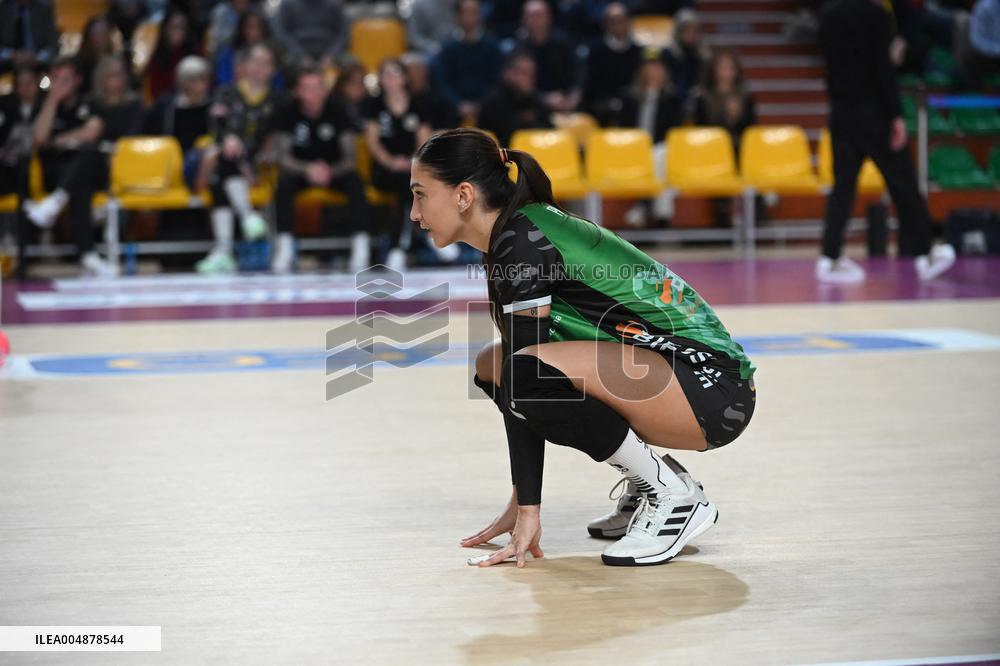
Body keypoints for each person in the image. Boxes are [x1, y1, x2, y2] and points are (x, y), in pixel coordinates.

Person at [410, 128, 757, 567]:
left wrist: (530, 511)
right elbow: (521, 383)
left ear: (463, 195)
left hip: (712, 388)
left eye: (421, 195)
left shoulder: (522, 241)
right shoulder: (516, 233)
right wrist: (523, 503)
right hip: (676, 377)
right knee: (496, 364)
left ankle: (671, 494)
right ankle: (645, 479)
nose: (414, 213)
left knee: (521, 369)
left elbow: (527, 377)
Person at [818, 0, 956, 283]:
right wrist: (895, 113)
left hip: (840, 112)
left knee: (843, 187)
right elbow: (881, 66)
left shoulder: (829, 14)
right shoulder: (876, 14)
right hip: (874, 112)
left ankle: (829, 258)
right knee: (903, 181)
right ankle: (925, 253)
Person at [270, 64, 371, 274]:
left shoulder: (339, 109)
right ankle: (285, 246)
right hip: (301, 170)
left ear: (325, 90)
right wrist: (308, 169)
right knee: (283, 183)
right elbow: (282, 155)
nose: (313, 94)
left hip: (334, 170)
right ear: (297, 91)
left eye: (317, 88)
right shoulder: (287, 111)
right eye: (307, 88)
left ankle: (361, 244)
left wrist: (330, 171)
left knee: (355, 182)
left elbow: (350, 157)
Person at [24, 57, 118, 276]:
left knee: (89, 152)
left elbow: (92, 132)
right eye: (55, 79)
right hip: (58, 174)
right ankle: (88, 256)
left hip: (88, 169)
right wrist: (52, 100)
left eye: (65, 80)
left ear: (78, 80)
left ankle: (55, 203)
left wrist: (59, 140)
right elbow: (39, 138)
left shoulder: (91, 102)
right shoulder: (44, 104)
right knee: (79, 190)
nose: (59, 85)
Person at [197, 43, 281, 274]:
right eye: (254, 62)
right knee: (224, 158)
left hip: (258, 164)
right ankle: (247, 216)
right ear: (244, 66)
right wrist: (228, 139)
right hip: (229, 156)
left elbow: (275, 136)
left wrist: (252, 160)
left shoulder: (276, 100)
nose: (258, 69)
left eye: (265, 64)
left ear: (272, 70)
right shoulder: (227, 92)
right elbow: (216, 123)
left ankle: (223, 250)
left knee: (219, 172)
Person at [362, 59, 434, 272]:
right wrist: (390, 162)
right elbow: (372, 141)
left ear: (404, 78)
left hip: (412, 167)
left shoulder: (419, 104)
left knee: (410, 188)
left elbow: (424, 141)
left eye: (395, 74)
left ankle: (397, 248)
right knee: (410, 187)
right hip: (383, 168)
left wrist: (412, 162)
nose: (390, 79)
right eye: (385, 74)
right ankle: (429, 231)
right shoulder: (373, 105)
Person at [621, 54, 684, 227]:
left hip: (662, 151)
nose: (654, 72)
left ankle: (642, 206)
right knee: (656, 158)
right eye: (650, 67)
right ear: (642, 71)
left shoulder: (673, 100)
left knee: (659, 153)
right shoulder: (630, 98)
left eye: (658, 67)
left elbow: (675, 134)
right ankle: (661, 216)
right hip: (633, 151)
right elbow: (623, 130)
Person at [144, 55, 212, 190]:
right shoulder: (165, 105)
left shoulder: (213, 105)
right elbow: (152, 134)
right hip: (168, 162)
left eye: (203, 79)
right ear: (183, 81)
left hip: (200, 163)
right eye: (194, 79)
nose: (200, 84)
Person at [431, 0, 503, 126]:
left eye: (474, 12)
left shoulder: (492, 47)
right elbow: (441, 82)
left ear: (480, 15)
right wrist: (458, 104)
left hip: (487, 110)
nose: (470, 16)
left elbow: (497, 81)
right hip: (452, 110)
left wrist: (480, 105)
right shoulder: (447, 49)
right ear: (457, 15)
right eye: (466, 12)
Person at [507, 0, 581, 114]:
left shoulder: (564, 43)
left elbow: (579, 72)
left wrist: (574, 96)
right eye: (531, 16)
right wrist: (544, 98)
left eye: (539, 15)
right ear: (523, 19)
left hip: (566, 103)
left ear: (549, 17)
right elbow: (518, 84)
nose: (536, 20)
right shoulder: (518, 49)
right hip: (532, 106)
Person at [583, 2, 642, 128]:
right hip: (602, 109)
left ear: (629, 22)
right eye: (613, 21)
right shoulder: (596, 52)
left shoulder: (638, 51)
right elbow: (591, 88)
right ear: (605, 24)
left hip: (633, 107)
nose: (618, 25)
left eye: (622, 20)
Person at [477, 50, 552, 147]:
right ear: (509, 74)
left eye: (533, 74)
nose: (531, 78)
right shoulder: (493, 102)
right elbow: (496, 137)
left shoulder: (536, 100)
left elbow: (549, 130)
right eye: (525, 73)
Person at [690, 48, 756, 154]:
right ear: (714, 69)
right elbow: (700, 128)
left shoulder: (746, 95)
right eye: (722, 67)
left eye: (731, 68)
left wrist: (736, 119)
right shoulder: (703, 96)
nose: (727, 72)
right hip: (709, 148)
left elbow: (751, 130)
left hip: (739, 149)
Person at [214, 7, 283, 89]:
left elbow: (278, 84)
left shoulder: (273, 53)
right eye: (248, 27)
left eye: (257, 27)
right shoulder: (229, 53)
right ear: (241, 29)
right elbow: (224, 82)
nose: (253, 32)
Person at [270, 0, 349, 68]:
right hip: (295, 53)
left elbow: (343, 34)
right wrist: (300, 55)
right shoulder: (288, 5)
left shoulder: (334, 5)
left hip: (330, 53)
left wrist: (331, 55)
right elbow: (280, 32)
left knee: (351, 65)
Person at [0, 65, 38, 203]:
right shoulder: (6, 105)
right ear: (15, 88)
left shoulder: (46, 105)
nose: (26, 88)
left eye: (30, 83)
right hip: (8, 162)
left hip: (36, 161)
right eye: (22, 84)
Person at [144, 8, 202, 101]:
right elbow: (155, 93)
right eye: (173, 27)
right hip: (166, 108)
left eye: (182, 27)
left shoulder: (196, 55)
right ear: (165, 30)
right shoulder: (157, 59)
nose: (177, 31)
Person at [0, 0, 59, 74]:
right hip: (7, 63)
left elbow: (53, 46)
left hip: (38, 64)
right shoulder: (4, 6)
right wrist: (11, 55)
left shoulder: (45, 6)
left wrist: (37, 58)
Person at [661, 9, 706, 101]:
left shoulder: (701, 55)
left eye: (694, 31)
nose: (691, 35)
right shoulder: (667, 55)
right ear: (678, 32)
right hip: (669, 100)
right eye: (687, 31)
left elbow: (702, 84)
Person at [76, 15, 118, 96]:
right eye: (96, 32)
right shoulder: (79, 64)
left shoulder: (117, 62)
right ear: (88, 36)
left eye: (104, 32)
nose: (100, 36)